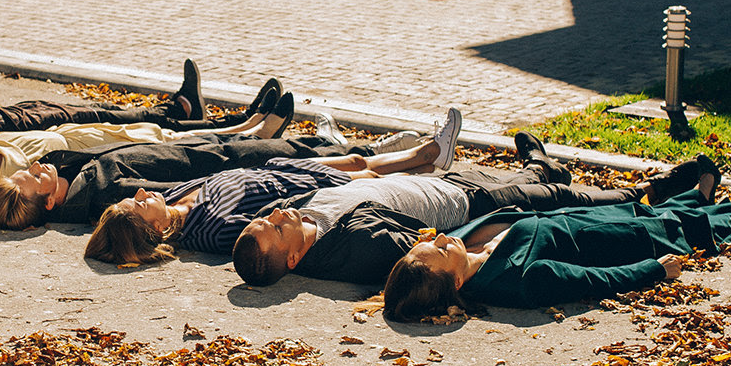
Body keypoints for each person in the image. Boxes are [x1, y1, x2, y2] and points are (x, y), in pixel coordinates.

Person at [232, 134, 706, 287]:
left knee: (531, 182)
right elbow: (437, 253)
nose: (278, 215)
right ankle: (651, 193)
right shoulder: (356, 252)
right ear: (292, 260)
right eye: (276, 228)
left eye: (268, 217)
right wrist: (502, 231)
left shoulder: (303, 216)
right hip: (461, 207)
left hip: (440, 184)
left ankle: (539, 164)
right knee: (566, 200)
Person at [380, 167, 731, 321]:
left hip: (589, 220)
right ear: (457, 285)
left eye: (431, 242)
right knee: (680, 227)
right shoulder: (519, 281)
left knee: (659, 212)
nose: (446, 239)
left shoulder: (464, 250)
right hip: (616, 244)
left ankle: (699, 193)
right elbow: (591, 280)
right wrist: (655, 270)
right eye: (443, 249)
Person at [81, 109, 463, 265]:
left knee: (357, 161)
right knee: (370, 176)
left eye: (136, 196)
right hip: (301, 188)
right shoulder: (210, 231)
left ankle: (429, 156)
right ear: (155, 230)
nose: (143, 194)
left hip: (280, 170)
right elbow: (273, 219)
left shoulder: (179, 201)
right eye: (139, 205)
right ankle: (431, 160)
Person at [0, 61, 282, 182]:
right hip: (44, 133)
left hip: (29, 113)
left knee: (120, 119)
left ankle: (187, 108)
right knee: (131, 130)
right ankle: (233, 122)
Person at [0, 103, 292, 209]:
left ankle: (241, 127)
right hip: (81, 151)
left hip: (69, 135)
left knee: (157, 131)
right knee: (159, 140)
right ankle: (249, 131)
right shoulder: (2, 186)